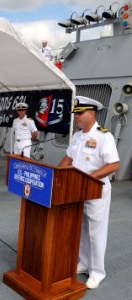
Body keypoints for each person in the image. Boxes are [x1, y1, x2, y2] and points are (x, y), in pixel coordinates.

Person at [59, 96, 120, 289]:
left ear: (91, 113)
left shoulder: (104, 136)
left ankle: (97, 272)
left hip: (95, 192)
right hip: (77, 191)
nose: (76, 117)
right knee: (82, 229)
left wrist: (90, 177)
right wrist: (56, 175)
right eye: (76, 114)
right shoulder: (77, 136)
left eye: (80, 113)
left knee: (96, 232)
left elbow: (114, 164)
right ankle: (84, 263)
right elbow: (68, 159)